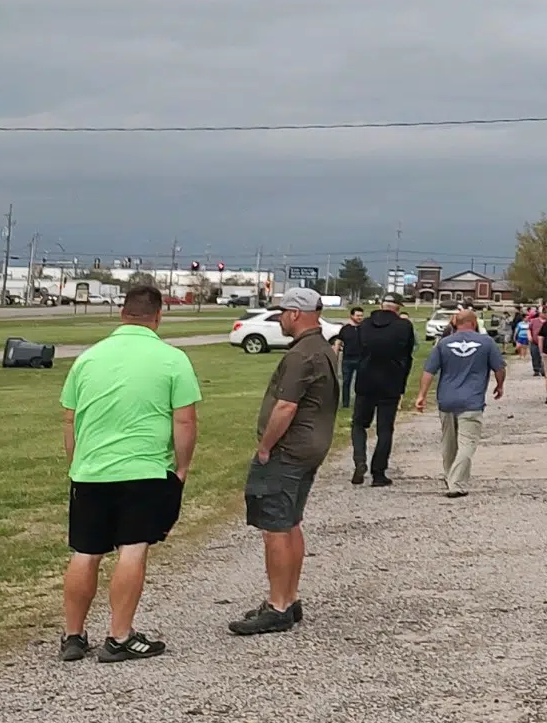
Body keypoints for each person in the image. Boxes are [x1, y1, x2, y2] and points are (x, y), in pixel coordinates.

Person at [57, 279, 199, 663]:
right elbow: (184, 421)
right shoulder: (172, 359)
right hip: (144, 468)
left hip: (90, 470)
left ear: (122, 314)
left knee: (85, 551)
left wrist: (76, 463)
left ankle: (73, 635)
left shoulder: (88, 358)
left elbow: (69, 420)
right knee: (132, 549)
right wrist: (181, 468)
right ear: (158, 316)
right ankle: (119, 636)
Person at [231, 289, 339, 637]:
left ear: (295, 313)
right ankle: (289, 599)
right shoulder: (323, 347)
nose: (278, 318)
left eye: (282, 312)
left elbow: (286, 406)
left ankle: (277, 605)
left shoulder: (301, 355)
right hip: (311, 447)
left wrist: (265, 447)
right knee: (291, 522)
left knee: (275, 526)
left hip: (288, 450)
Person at [414, 307, 508, 497]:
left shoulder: (443, 343)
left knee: (449, 443)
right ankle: (456, 483)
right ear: (473, 323)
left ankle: (450, 476)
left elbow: (428, 371)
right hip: (472, 401)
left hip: (446, 399)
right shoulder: (486, 342)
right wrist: (499, 385)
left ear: (456, 323)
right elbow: (499, 368)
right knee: (467, 443)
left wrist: (422, 395)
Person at [350, 294, 418, 487]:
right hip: (391, 381)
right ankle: (378, 473)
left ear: (381, 305)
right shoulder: (404, 327)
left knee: (359, 424)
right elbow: (408, 355)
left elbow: (357, 352)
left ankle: (359, 460)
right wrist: (402, 382)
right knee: (385, 429)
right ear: (398, 308)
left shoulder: (364, 325)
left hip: (365, 380)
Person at [337, 305, 367, 417]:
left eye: (361, 315)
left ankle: (360, 403)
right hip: (347, 359)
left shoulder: (365, 328)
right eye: (357, 315)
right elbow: (338, 342)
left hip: (361, 359)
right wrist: (335, 355)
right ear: (352, 316)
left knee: (361, 382)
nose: (360, 317)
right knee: (346, 382)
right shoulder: (345, 329)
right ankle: (345, 403)